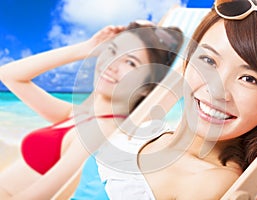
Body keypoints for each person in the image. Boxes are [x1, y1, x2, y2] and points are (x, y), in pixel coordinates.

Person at [72, 0, 257, 199]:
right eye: (209, 61)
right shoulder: (149, 131)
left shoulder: (212, 182)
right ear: (187, 62)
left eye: (248, 78)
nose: (217, 90)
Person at [0, 21, 184, 199]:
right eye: (112, 51)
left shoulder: (98, 132)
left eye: (130, 62)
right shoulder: (85, 115)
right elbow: (9, 76)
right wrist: (87, 48)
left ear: (147, 87)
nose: (112, 64)